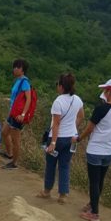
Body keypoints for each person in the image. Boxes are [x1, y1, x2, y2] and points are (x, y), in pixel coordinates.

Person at [77, 77, 111, 221]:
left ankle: (94, 213)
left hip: (96, 149)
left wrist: (79, 139)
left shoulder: (101, 109)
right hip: (110, 150)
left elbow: (90, 128)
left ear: (110, 92)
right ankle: (92, 204)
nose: (103, 92)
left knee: (94, 181)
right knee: (100, 180)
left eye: (106, 89)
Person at [37, 73, 84, 204]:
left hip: (57, 138)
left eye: (58, 84)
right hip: (71, 138)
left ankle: (47, 191)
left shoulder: (58, 101)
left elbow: (56, 123)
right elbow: (81, 116)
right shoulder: (77, 99)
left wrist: (53, 142)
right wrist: (73, 127)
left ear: (62, 87)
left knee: (51, 165)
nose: (57, 86)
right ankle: (63, 195)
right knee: (64, 166)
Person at [1, 59, 32, 170]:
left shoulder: (25, 82)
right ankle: (10, 154)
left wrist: (23, 114)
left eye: (17, 67)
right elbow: (17, 97)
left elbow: (28, 99)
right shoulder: (17, 80)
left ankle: (14, 163)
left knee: (16, 139)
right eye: (15, 67)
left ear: (23, 70)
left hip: (18, 115)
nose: (15, 69)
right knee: (4, 132)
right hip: (12, 112)